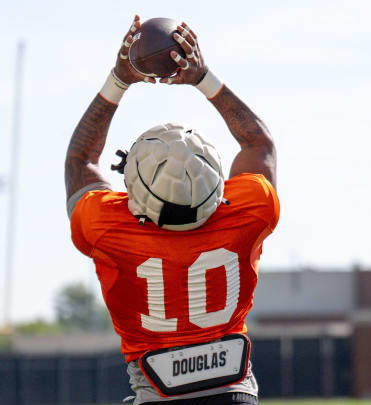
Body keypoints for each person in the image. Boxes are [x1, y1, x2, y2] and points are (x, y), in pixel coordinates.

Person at [65, 15, 278, 405]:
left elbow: (81, 159)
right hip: (234, 394)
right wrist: (202, 76)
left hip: (158, 397)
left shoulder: (108, 225)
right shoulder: (248, 209)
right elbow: (258, 142)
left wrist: (119, 78)